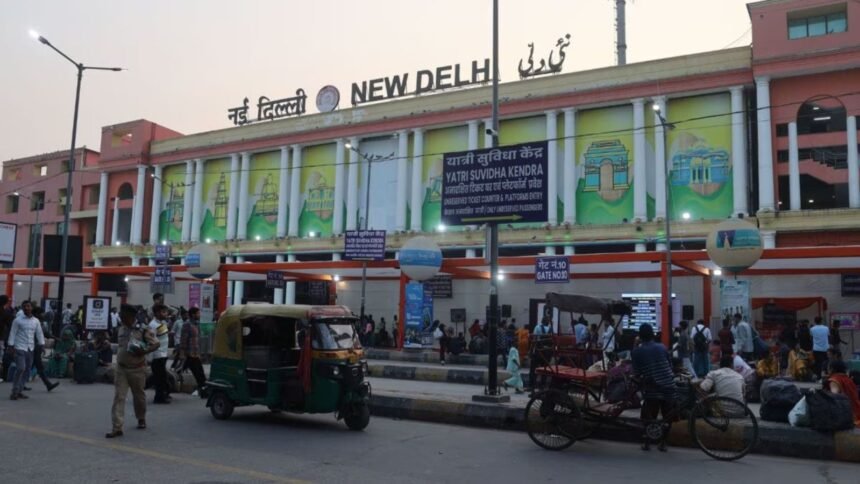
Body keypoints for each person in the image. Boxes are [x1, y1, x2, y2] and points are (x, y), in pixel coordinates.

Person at [107, 304, 159, 438]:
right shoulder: (121, 329)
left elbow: (156, 343)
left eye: (125, 317)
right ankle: (117, 427)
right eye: (121, 316)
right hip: (121, 368)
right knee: (119, 396)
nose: (122, 319)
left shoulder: (143, 329)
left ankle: (141, 418)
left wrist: (144, 351)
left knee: (139, 396)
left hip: (137, 369)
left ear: (132, 317)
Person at [631, 324, 675, 452]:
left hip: (653, 388)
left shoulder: (637, 351)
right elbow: (669, 365)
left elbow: (637, 373)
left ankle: (647, 442)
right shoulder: (662, 347)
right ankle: (663, 442)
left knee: (648, 414)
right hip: (669, 386)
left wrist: (635, 346)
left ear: (640, 336)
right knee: (667, 416)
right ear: (653, 335)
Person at [7, 301, 45, 400]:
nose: (26, 308)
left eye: (28, 306)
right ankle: (14, 391)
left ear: (31, 308)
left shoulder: (36, 321)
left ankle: (19, 391)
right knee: (21, 368)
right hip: (19, 347)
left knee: (27, 370)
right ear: (22, 308)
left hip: (30, 348)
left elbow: (39, 333)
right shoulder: (17, 320)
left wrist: (42, 344)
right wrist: (10, 346)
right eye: (24, 307)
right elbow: (12, 333)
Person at [179, 307, 207, 395]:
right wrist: (182, 353)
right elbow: (183, 339)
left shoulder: (197, 324)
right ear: (193, 314)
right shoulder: (187, 324)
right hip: (189, 353)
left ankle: (203, 389)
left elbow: (198, 339)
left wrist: (200, 353)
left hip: (195, 353)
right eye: (198, 313)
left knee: (200, 373)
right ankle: (203, 389)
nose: (199, 315)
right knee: (197, 373)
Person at [825, 360, 860, 427]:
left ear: (831, 369)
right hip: (857, 411)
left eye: (828, 368)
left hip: (848, 416)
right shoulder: (849, 380)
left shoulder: (834, 380)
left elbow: (834, 395)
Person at [148, 304, 171, 404]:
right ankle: (159, 397)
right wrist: (150, 358)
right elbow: (150, 340)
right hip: (157, 355)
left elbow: (174, 312)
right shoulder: (153, 325)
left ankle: (164, 394)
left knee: (162, 377)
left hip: (163, 354)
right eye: (163, 312)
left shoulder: (162, 322)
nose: (166, 314)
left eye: (166, 312)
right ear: (157, 313)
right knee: (159, 378)